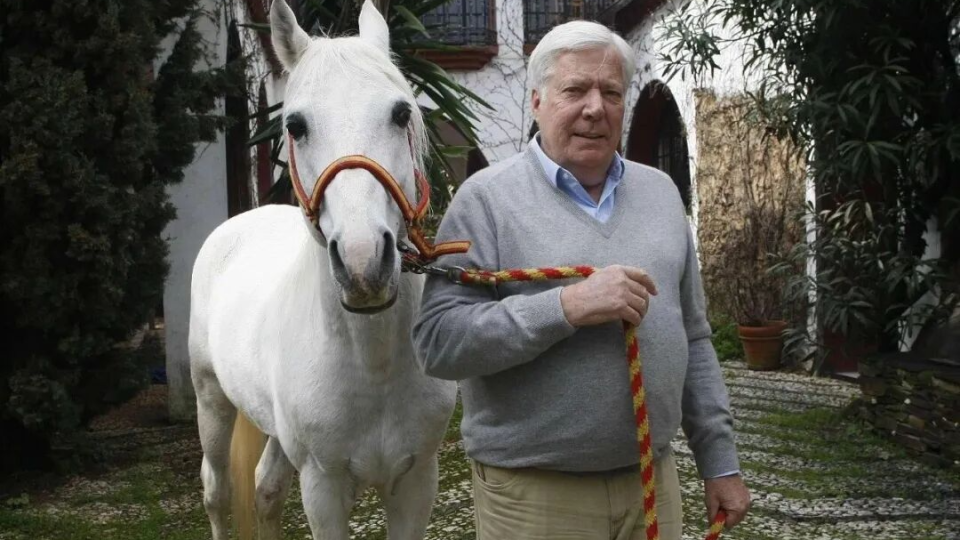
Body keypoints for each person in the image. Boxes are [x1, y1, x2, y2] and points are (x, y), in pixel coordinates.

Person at [412, 20, 750, 540]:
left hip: (652, 482)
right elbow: (439, 344)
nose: (596, 108)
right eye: (575, 90)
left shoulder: (662, 194)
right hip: (534, 496)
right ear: (537, 101)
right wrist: (565, 308)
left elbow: (694, 337)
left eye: (611, 92)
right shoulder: (485, 201)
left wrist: (720, 462)